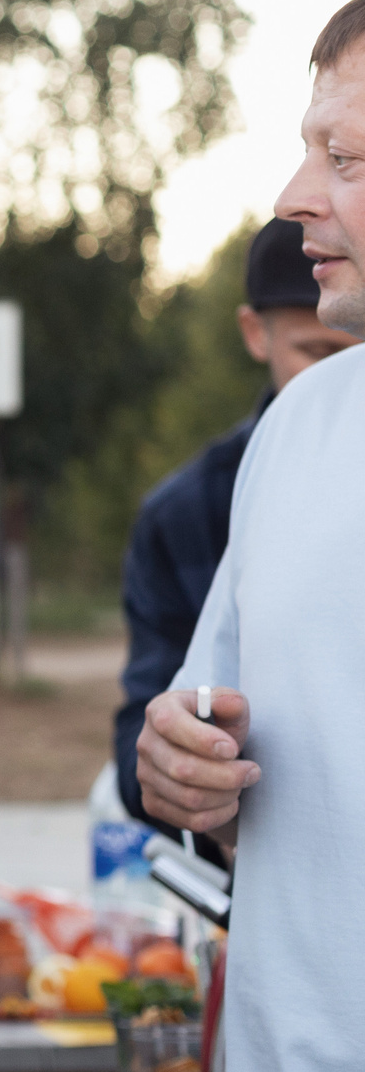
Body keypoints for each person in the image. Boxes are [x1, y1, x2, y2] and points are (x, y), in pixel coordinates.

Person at [137, 0, 365, 1072]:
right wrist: (184, 767)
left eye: (345, 159)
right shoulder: (303, 432)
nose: (295, 200)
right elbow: (204, 735)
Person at [114, 217, 351, 838]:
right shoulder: (187, 513)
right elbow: (144, 736)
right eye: (319, 352)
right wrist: (177, 761)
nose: (346, 380)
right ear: (255, 333)